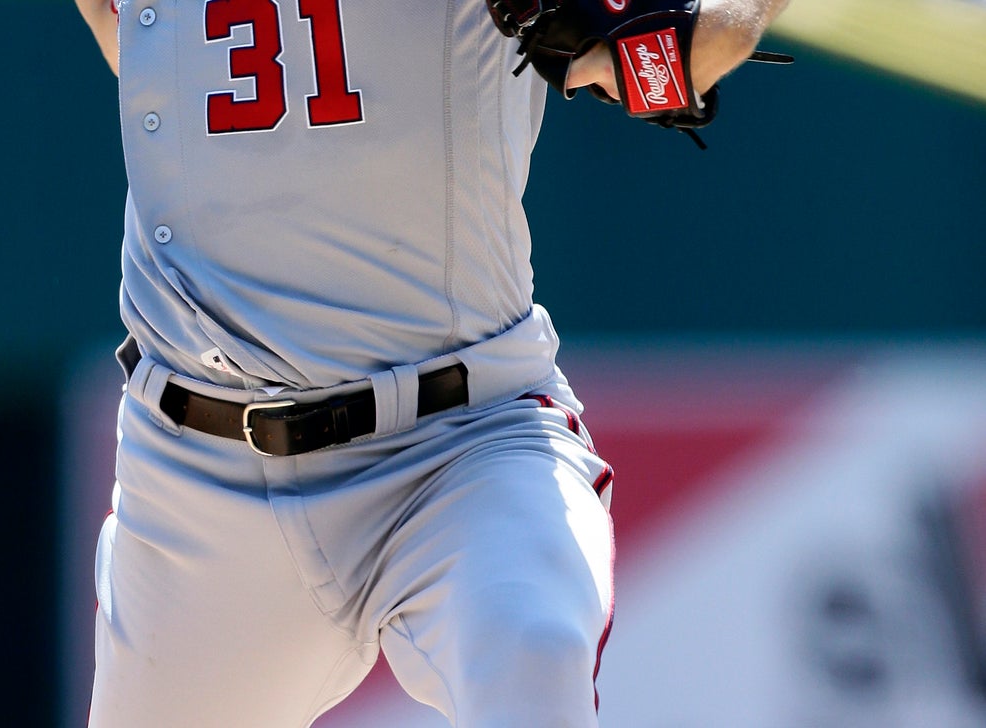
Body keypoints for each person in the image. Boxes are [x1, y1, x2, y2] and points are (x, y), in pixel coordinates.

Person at [73, 1, 789, 726]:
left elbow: (696, 43)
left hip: (456, 444)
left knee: (532, 647)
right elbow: (129, 40)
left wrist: (702, 29)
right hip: (201, 474)